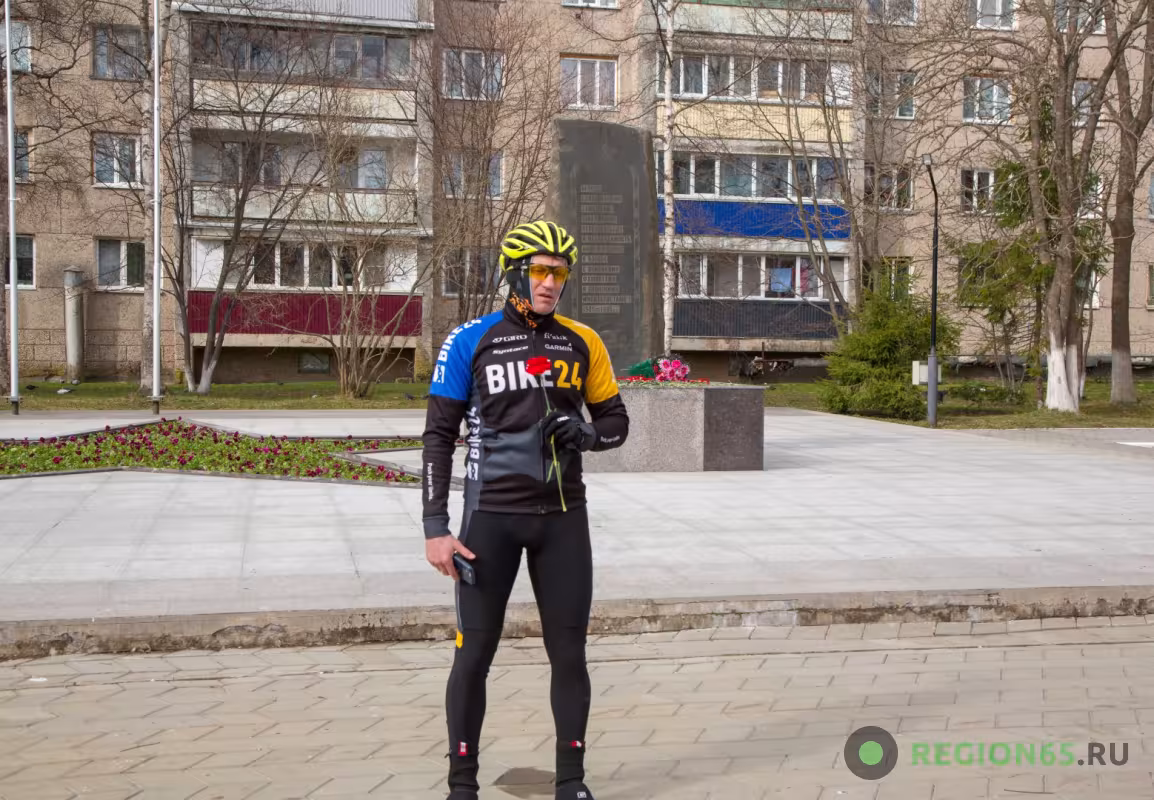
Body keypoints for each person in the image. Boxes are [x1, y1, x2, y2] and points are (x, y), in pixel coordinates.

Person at [422, 220, 629, 800]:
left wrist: (589, 436)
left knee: (570, 656)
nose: (550, 283)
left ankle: (572, 782)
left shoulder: (582, 341)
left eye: (559, 273)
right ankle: (462, 786)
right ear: (514, 274)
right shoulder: (470, 339)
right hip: (489, 520)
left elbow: (617, 421)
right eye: (539, 271)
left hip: (563, 521)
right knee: (473, 655)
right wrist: (435, 526)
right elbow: (438, 436)